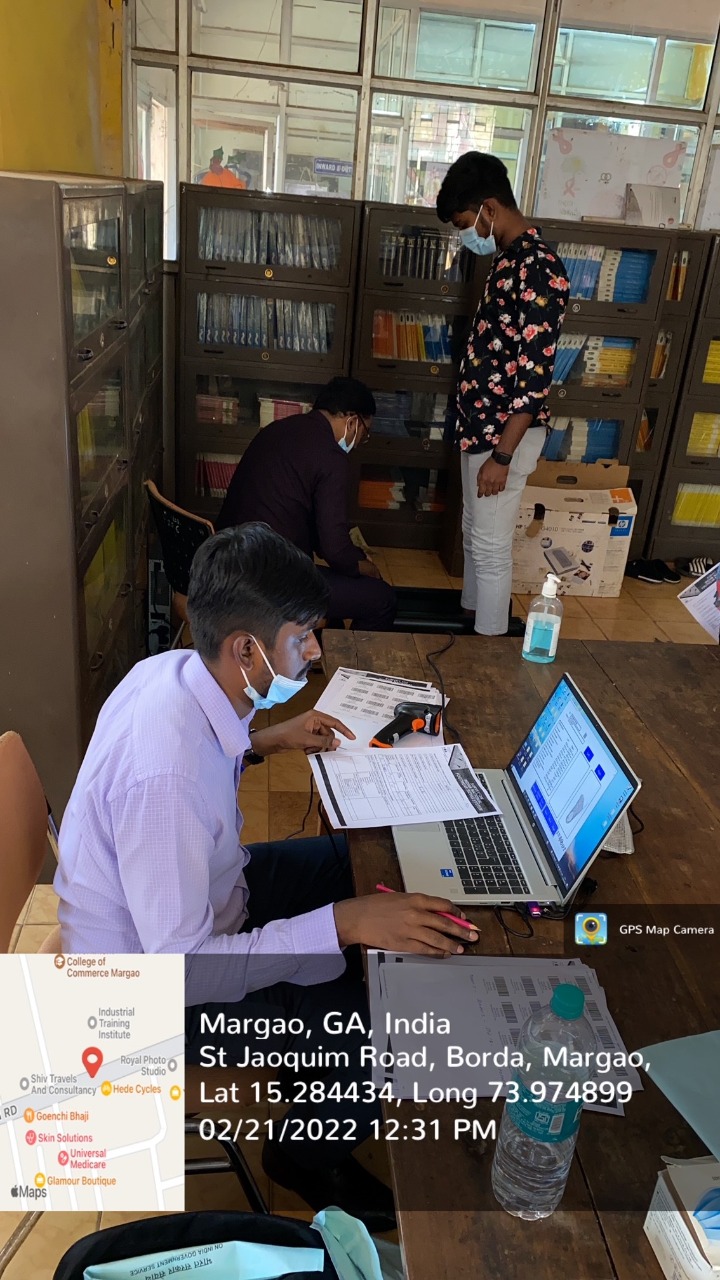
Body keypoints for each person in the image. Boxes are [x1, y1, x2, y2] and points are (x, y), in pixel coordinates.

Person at [54, 523, 475, 1224]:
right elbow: (183, 971)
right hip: (149, 994)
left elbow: (203, 753)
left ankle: (321, 1063)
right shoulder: (166, 781)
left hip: (211, 895)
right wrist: (341, 925)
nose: (315, 651)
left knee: (352, 864)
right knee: (375, 1021)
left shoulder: (172, 671)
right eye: (301, 636)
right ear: (245, 649)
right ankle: (303, 1157)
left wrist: (266, 740)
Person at [437, 152, 569, 636]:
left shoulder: (539, 268)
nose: (466, 234)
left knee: (491, 546)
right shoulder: (507, 259)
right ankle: (472, 616)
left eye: (465, 223)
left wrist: (502, 456)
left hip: (503, 438)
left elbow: (534, 379)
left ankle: (488, 644)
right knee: (475, 533)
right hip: (480, 429)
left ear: (489, 208)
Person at [216, 378, 397, 631]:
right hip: (270, 584)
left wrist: (350, 557)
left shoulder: (277, 429)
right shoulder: (331, 456)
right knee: (381, 598)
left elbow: (318, 531)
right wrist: (363, 566)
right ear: (352, 421)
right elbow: (334, 549)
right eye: (364, 434)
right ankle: (350, 659)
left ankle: (313, 650)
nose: (358, 443)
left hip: (228, 564)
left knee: (335, 608)